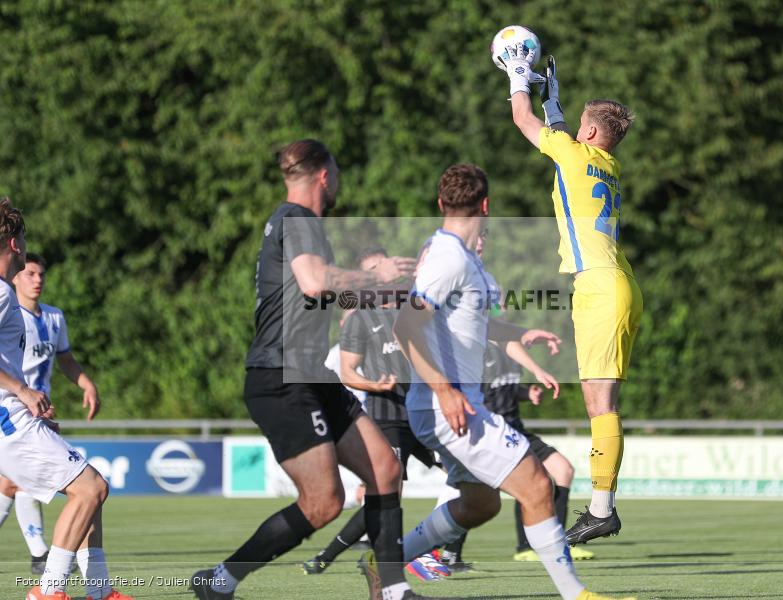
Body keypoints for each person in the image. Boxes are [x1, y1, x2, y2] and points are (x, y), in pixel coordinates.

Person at [191, 140, 455, 600]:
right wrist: (376, 276)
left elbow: (320, 293)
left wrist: (398, 290)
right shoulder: (298, 220)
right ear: (324, 176)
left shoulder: (297, 224)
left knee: (385, 471)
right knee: (323, 504)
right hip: (282, 377)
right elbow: (315, 282)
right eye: (337, 171)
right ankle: (221, 579)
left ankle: (391, 589)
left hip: (311, 373)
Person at [391, 164, 633, 600]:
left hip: (450, 402)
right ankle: (576, 595)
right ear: (486, 206)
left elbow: (465, 321)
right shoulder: (448, 257)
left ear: (441, 203)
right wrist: (444, 391)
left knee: (479, 505)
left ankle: (386, 565)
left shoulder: (457, 256)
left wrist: (518, 334)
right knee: (538, 483)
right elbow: (406, 326)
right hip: (448, 404)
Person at [502, 43, 643, 546]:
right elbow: (566, 139)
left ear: (586, 133)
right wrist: (557, 107)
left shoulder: (572, 150)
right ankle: (602, 507)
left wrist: (520, 74)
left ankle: (603, 510)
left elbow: (522, 118)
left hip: (600, 286)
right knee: (602, 404)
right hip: (620, 282)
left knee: (600, 406)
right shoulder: (607, 164)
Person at [0, 198, 130, 600]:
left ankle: (99, 589)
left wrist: (30, 403)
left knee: (93, 487)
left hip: (17, 415)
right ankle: (48, 590)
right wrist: (22, 392)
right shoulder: (3, 293)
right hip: (9, 418)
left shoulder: (28, 305)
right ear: (17, 245)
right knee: (89, 489)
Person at [302, 246, 453, 581]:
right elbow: (348, 372)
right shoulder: (358, 319)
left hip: (424, 415)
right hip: (387, 417)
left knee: (467, 477)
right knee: (385, 493)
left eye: (382, 268)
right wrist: (375, 384)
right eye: (372, 270)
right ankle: (330, 557)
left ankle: (435, 553)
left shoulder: (412, 310)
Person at [0, 253, 102, 576]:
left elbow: (66, 359)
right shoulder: (7, 304)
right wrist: (24, 395)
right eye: (30, 273)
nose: (37, 279)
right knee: (81, 488)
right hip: (16, 412)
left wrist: (86, 383)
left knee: (16, 485)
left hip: (33, 410)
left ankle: (91, 584)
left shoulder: (54, 318)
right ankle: (44, 562)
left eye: (41, 274)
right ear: (16, 276)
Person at [479, 339, 593, 563]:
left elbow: (505, 389)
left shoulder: (513, 349)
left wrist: (526, 393)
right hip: (493, 433)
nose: (501, 306)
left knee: (563, 470)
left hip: (517, 431)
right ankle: (525, 547)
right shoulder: (477, 347)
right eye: (497, 303)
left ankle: (558, 542)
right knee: (510, 488)